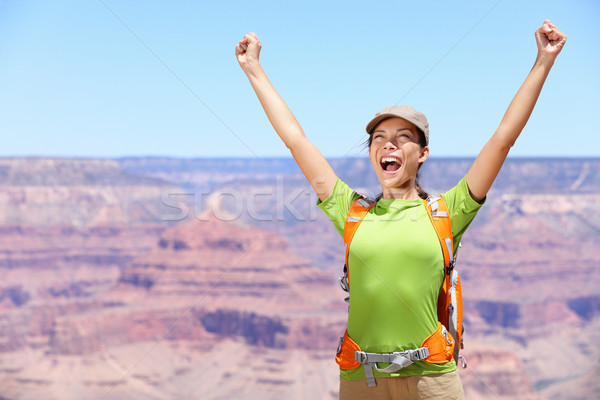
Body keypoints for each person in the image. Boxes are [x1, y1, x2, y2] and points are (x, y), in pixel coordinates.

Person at [235, 20, 566, 400]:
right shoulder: (351, 212)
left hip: (433, 382)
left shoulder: (448, 211)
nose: (388, 145)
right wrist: (253, 69)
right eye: (379, 139)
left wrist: (543, 61)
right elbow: (296, 140)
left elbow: (503, 138)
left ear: (422, 153)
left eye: (402, 138)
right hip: (362, 380)